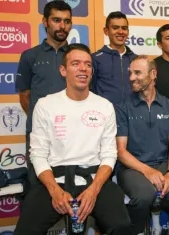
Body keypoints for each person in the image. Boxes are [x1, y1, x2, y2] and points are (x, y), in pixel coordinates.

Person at [14, 44, 133, 235]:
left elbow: (109, 154)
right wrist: (54, 191)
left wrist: (93, 191)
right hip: (54, 180)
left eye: (87, 64)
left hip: (94, 180)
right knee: (25, 230)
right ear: (63, 70)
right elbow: (38, 155)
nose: (83, 68)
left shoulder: (104, 106)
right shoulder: (45, 105)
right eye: (75, 63)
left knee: (121, 226)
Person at [115, 55, 169, 235]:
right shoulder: (123, 107)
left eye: (137, 73)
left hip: (164, 165)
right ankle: (136, 231)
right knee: (144, 196)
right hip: (132, 167)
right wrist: (147, 171)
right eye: (130, 73)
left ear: (153, 74)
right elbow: (121, 151)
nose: (132, 77)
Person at [15, 0, 72, 186]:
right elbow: (25, 97)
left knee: (74, 185)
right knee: (39, 186)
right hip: (40, 133)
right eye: (56, 20)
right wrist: (43, 120)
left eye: (67, 21)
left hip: (73, 131)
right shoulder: (30, 55)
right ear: (45, 22)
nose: (62, 26)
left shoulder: (77, 56)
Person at [90, 11, 136, 104]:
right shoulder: (95, 58)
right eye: (115, 28)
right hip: (105, 114)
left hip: (132, 114)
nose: (120, 32)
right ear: (106, 31)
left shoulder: (136, 59)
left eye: (124, 28)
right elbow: (90, 90)